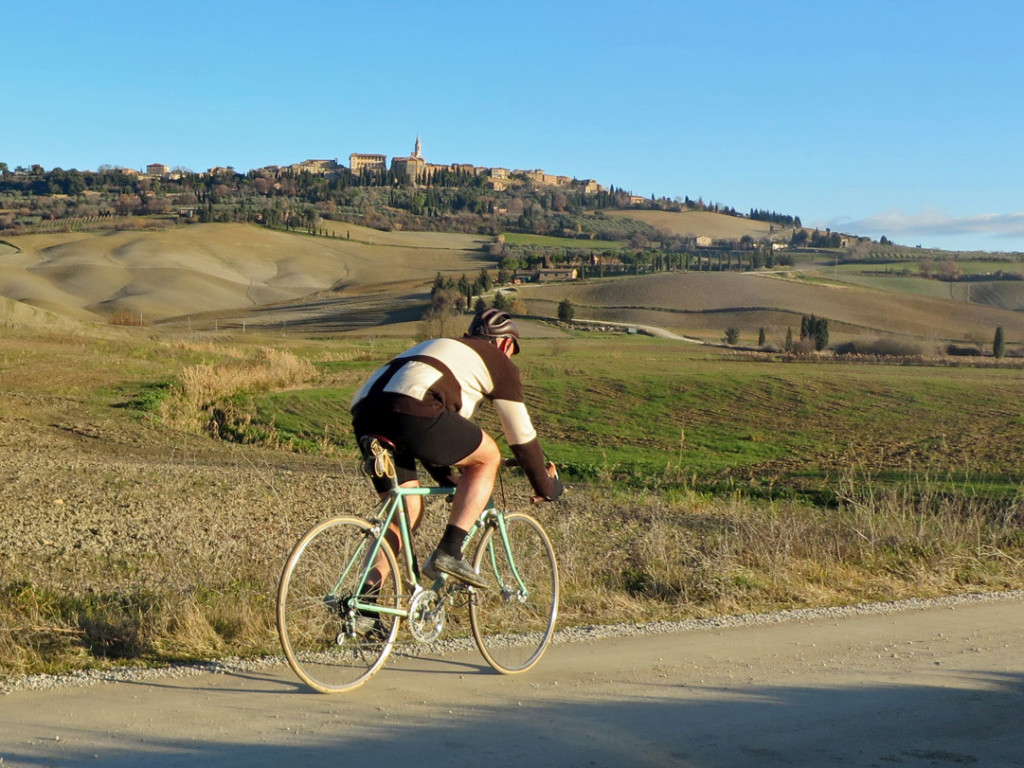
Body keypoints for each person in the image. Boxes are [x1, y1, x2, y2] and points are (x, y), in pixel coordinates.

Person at [351, 307, 564, 590]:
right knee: (488, 456)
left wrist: (445, 478)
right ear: (506, 343)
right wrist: (546, 486)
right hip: (414, 408)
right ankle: (449, 551)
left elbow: (432, 435)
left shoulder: (446, 348)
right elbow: (521, 436)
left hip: (366, 411)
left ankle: (364, 607)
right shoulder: (499, 361)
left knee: (404, 509)